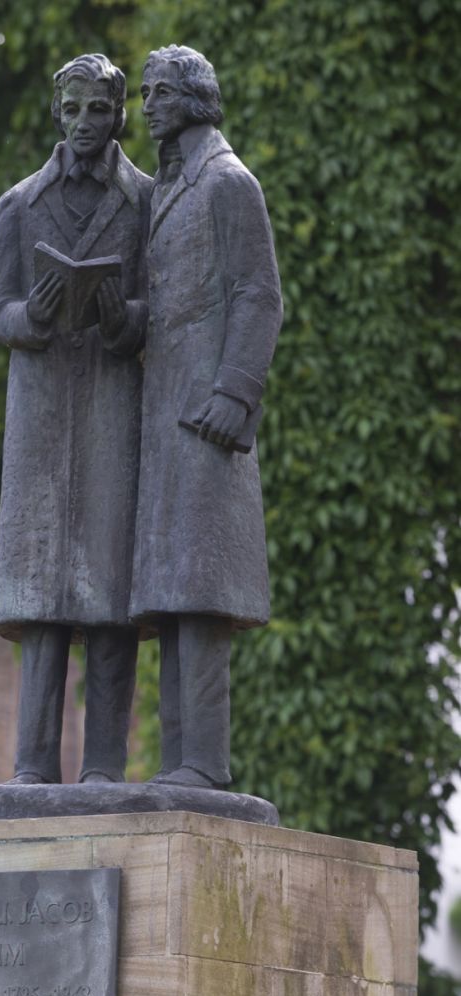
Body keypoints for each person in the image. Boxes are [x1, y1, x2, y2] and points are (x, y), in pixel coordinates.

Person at [0, 54, 151, 784]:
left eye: (99, 110)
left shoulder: (147, 201)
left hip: (113, 406)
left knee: (110, 596)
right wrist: (33, 315)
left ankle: (104, 769)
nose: (85, 123)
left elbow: (159, 306)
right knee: (43, 594)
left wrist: (123, 318)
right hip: (44, 413)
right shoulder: (18, 205)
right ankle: (31, 765)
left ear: (119, 114)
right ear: (57, 112)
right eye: (74, 108)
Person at [130, 45, 283, 789]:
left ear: (193, 99)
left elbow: (258, 293)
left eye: (158, 92)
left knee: (200, 592)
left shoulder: (227, 182)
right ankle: (177, 760)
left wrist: (234, 392)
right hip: (162, 412)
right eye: (145, 92)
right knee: (169, 591)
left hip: (205, 413)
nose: (146, 105)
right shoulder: (164, 189)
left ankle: (204, 763)